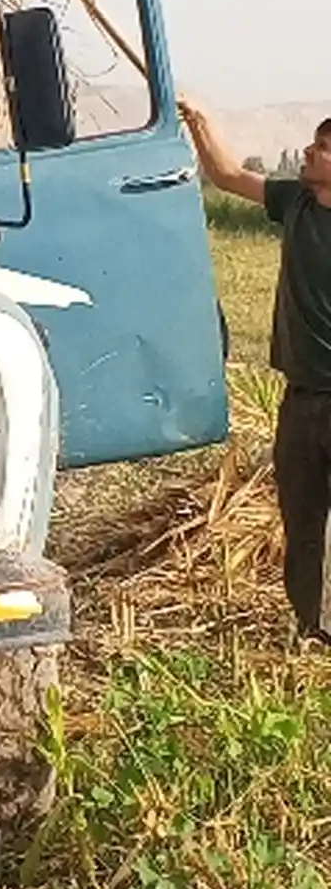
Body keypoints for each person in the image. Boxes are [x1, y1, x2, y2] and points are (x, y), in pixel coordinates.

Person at [179, 99, 331, 642]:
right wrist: (199, 123)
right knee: (302, 515)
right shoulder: (296, 203)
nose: (311, 151)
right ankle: (308, 624)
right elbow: (226, 175)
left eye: (323, 147)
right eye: (313, 141)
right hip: (300, 395)